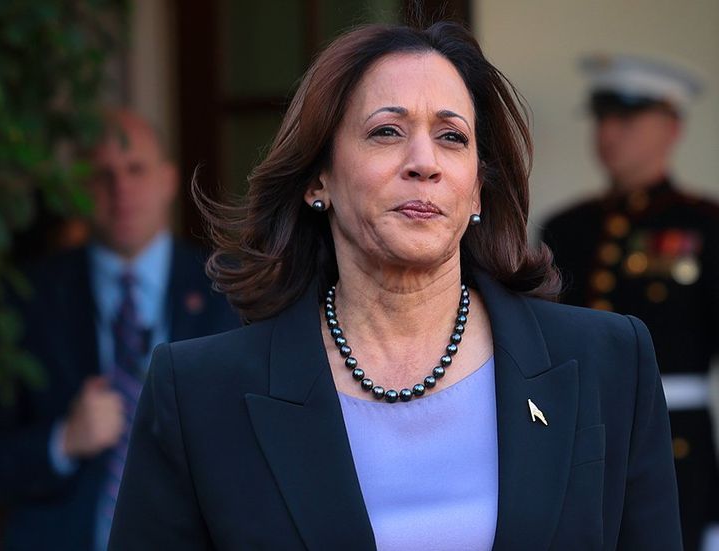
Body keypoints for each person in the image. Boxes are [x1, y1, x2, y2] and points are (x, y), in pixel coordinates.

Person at [108, 23, 681, 550]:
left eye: (452, 137)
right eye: (386, 131)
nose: (424, 162)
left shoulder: (608, 362)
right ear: (318, 178)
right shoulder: (199, 392)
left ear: (477, 188)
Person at [0, 110, 241, 551]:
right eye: (103, 174)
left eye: (135, 170)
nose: (120, 189)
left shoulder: (232, 291)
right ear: (80, 189)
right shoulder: (23, 296)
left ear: (167, 181)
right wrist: (61, 440)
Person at [540, 54, 719, 551]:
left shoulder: (716, 230)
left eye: (627, 118)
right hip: (574, 467)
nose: (610, 133)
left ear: (671, 127)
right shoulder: (565, 230)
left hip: (679, 475)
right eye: (603, 117)